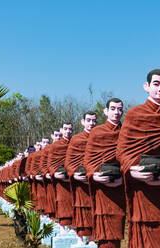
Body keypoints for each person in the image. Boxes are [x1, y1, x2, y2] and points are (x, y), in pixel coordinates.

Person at [116, 69, 160, 248]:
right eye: (156, 84)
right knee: (139, 228)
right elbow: (122, 150)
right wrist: (132, 169)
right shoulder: (134, 115)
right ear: (146, 87)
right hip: (139, 184)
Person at [84, 98, 125, 248]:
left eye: (120, 109)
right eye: (113, 109)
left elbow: (131, 158)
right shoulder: (97, 132)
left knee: (117, 225)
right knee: (103, 228)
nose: (117, 112)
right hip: (102, 187)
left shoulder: (126, 130)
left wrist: (124, 178)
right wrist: (94, 174)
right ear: (106, 111)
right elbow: (88, 159)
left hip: (120, 185)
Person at [64, 112, 97, 238]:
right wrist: (74, 174)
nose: (91, 123)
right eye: (88, 120)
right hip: (80, 182)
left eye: (94, 121)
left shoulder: (99, 137)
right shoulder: (76, 139)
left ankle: (94, 239)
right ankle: (82, 239)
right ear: (83, 122)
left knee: (95, 212)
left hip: (95, 182)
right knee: (82, 211)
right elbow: (69, 161)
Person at [47, 124, 74, 226]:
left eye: (70, 129)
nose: (68, 131)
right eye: (66, 129)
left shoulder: (74, 143)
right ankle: (62, 226)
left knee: (72, 203)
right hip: (60, 179)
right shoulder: (55, 146)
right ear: (62, 130)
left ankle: (72, 227)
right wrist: (55, 173)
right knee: (62, 202)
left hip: (73, 178)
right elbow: (50, 163)